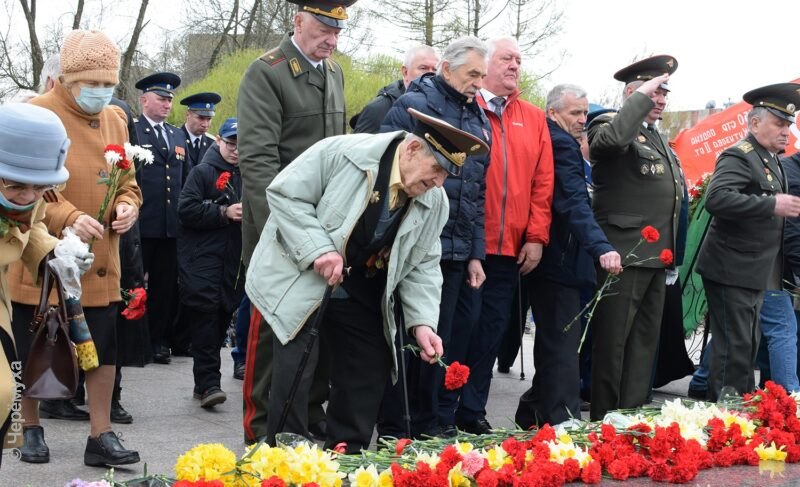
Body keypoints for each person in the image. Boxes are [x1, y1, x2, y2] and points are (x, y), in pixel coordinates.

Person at [246, 107, 488, 452]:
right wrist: (319, 249)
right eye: (436, 169)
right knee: (297, 367)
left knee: (370, 362)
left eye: (446, 176)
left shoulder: (435, 200)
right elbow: (285, 194)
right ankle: (286, 456)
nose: (438, 183)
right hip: (299, 273)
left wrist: (421, 323)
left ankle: (346, 454)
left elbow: (422, 264)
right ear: (413, 149)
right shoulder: (341, 153)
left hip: (361, 286)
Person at [8, 29, 142, 466]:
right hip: (42, 251)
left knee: (102, 349)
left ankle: (100, 435)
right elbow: (29, 186)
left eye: (109, 85)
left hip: (101, 256)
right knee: (35, 342)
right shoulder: (37, 114)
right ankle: (30, 427)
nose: (101, 94)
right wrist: (68, 216)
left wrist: (127, 205)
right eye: (92, 85)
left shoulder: (117, 120)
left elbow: (129, 181)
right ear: (67, 79)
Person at [237, 0, 352, 444]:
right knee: (272, 338)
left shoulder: (333, 73)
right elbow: (260, 164)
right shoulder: (267, 72)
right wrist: (289, 237)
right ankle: (261, 431)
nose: (331, 39)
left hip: (324, 231)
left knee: (316, 328)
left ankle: (306, 415)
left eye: (338, 31)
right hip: (279, 235)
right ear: (298, 21)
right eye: (324, 28)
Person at [379, 36, 491, 438]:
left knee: (439, 340)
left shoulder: (478, 118)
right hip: (414, 242)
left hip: (458, 247)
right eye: (472, 73)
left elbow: (476, 192)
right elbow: (386, 163)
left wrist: (476, 253)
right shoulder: (415, 105)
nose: (479, 81)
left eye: (483, 74)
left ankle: (429, 421)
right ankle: (397, 425)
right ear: (446, 69)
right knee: (410, 337)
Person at [446, 37, 554, 435]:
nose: (515, 66)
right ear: (485, 64)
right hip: (464, 242)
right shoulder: (465, 107)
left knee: (490, 332)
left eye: (519, 60)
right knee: (458, 329)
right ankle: (443, 407)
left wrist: (537, 236)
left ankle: (472, 410)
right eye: (508, 58)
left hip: (510, 248)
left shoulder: (533, 116)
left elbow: (544, 182)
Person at [515, 84, 620, 428]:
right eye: (575, 113)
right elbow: (572, 203)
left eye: (584, 113)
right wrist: (601, 246)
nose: (582, 120)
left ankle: (532, 411)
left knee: (557, 342)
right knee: (562, 343)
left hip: (557, 258)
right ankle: (563, 419)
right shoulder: (560, 144)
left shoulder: (559, 141)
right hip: (559, 259)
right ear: (553, 113)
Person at [587, 55, 683, 420]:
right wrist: (638, 100)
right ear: (633, 93)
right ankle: (604, 419)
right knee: (613, 343)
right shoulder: (609, 123)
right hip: (623, 254)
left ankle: (630, 416)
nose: (660, 100)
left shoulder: (658, 137)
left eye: (663, 94)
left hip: (656, 257)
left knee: (644, 343)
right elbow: (608, 144)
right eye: (654, 92)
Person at [696, 83, 800, 401]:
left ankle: (735, 415)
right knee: (734, 350)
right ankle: (725, 418)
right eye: (779, 124)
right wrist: (771, 205)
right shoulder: (739, 156)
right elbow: (718, 199)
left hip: (754, 271)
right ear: (755, 123)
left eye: (789, 125)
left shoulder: (768, 159)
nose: (787, 132)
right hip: (731, 269)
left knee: (746, 346)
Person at [0, 103, 82, 469]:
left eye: (41, 187)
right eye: (15, 184)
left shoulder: (26, 193)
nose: (28, 196)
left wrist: (55, 253)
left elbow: (29, 224)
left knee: (3, 399)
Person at [177, 117, 245, 408]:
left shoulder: (248, 174)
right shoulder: (202, 172)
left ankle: (203, 382)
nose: (236, 150)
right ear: (220, 141)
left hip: (231, 263)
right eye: (231, 143)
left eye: (242, 145)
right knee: (205, 321)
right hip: (202, 260)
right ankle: (209, 384)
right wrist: (223, 212)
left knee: (219, 321)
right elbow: (186, 209)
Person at [134, 71, 190, 365]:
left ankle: (158, 341)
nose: (168, 104)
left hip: (170, 226)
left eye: (170, 99)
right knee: (134, 284)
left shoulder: (176, 134)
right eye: (161, 98)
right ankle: (135, 340)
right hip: (142, 222)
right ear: (144, 100)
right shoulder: (134, 131)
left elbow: (186, 178)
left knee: (165, 288)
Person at [351, 44, 438, 134]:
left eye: (435, 70)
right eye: (423, 68)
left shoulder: (442, 108)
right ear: (405, 72)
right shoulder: (378, 109)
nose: (430, 75)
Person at [180, 92, 221, 167]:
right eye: (201, 118)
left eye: (209, 119)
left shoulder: (212, 143)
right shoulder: (174, 139)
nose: (205, 124)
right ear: (188, 115)